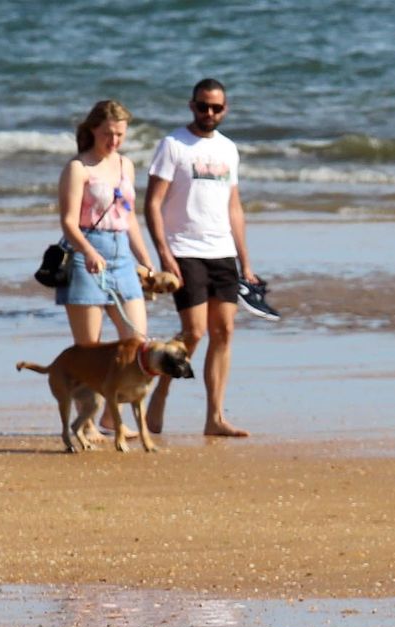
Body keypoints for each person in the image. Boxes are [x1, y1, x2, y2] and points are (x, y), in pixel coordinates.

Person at [143, 78, 257, 438]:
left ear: (225, 109)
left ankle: (215, 417)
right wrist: (164, 252)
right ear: (192, 106)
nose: (209, 112)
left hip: (222, 252)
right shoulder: (173, 145)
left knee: (224, 331)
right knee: (193, 332)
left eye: (216, 107)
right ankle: (160, 392)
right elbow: (152, 203)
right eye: (203, 106)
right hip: (184, 250)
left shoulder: (228, 149)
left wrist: (245, 260)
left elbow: (234, 207)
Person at [57, 99, 156, 442]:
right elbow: (68, 222)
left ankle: (114, 418)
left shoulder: (126, 165)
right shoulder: (78, 168)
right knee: (89, 350)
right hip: (86, 253)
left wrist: (146, 260)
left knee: (136, 342)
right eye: (107, 134)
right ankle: (87, 422)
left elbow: (129, 218)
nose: (113, 141)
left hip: (122, 254)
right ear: (92, 130)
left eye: (120, 135)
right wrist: (88, 252)